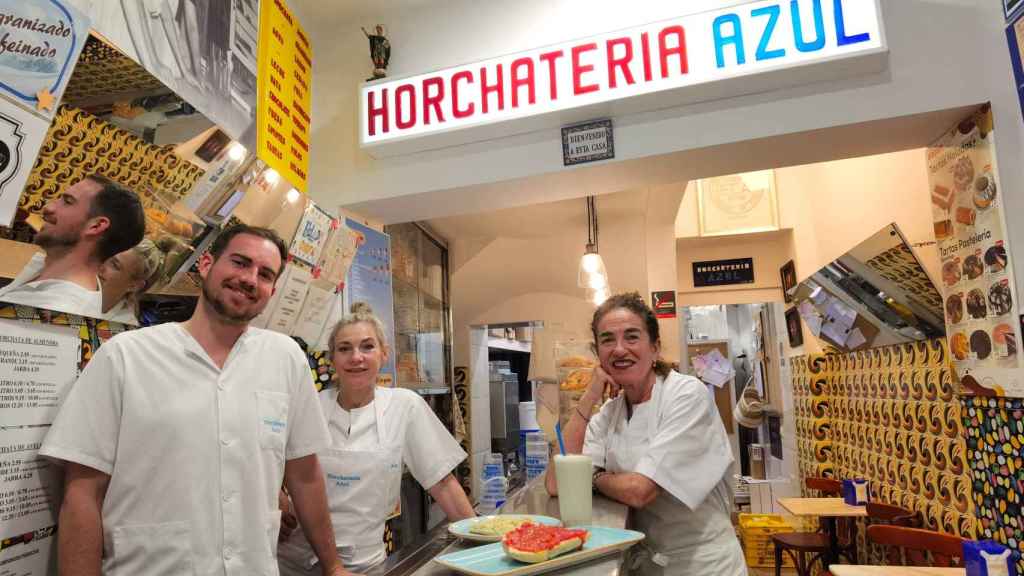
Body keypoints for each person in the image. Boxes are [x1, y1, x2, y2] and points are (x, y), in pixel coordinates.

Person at [40, 224, 351, 576]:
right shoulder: (125, 357)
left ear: (272, 290)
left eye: (264, 274)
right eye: (239, 262)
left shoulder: (285, 358)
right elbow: (82, 492)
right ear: (206, 264)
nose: (249, 279)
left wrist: (333, 565)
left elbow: (305, 475)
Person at [544, 292, 746, 576]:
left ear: (655, 348)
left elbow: (640, 491)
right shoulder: (610, 412)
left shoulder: (686, 395)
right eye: (607, 340)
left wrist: (592, 477)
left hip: (702, 564)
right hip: (646, 564)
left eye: (632, 336)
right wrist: (590, 395)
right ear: (597, 354)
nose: (619, 349)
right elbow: (555, 483)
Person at [278, 302, 474, 576]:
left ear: (384, 354)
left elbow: (442, 482)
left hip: (362, 565)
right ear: (332, 358)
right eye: (344, 349)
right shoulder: (308, 406)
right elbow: (264, 459)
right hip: (292, 560)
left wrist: (480, 548)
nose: (356, 357)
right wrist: (277, 496)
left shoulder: (405, 406)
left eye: (367, 347)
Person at [0, 175, 145, 318]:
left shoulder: (52, 310)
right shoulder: (49, 267)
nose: (48, 207)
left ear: (96, 226)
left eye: (68, 202)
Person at [99, 238, 166, 326]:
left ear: (134, 285)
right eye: (106, 255)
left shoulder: (122, 327)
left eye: (114, 265)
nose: (101, 264)